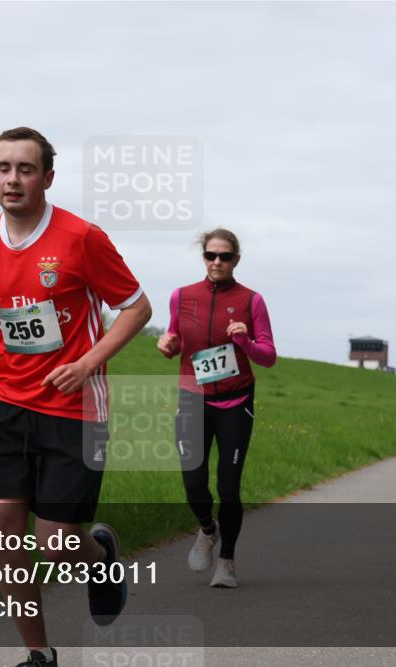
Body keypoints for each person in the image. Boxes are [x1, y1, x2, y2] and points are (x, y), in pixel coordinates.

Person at [0, 127, 152, 667]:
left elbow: (137, 308)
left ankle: (100, 558)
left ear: (47, 178)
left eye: (25, 169)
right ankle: (40, 655)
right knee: (4, 535)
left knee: (56, 546)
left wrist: (87, 363)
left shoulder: (81, 238)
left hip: (75, 409)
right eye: (3, 168)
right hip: (7, 405)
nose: (13, 178)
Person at [157, 228, 276, 588]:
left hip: (235, 401)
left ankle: (227, 561)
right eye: (211, 255)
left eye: (225, 256)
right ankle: (208, 530)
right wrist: (168, 344)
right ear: (204, 257)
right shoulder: (182, 296)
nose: (217, 262)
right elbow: (176, 340)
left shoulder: (251, 301)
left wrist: (244, 340)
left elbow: (268, 356)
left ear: (236, 260)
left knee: (228, 485)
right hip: (193, 399)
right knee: (193, 483)